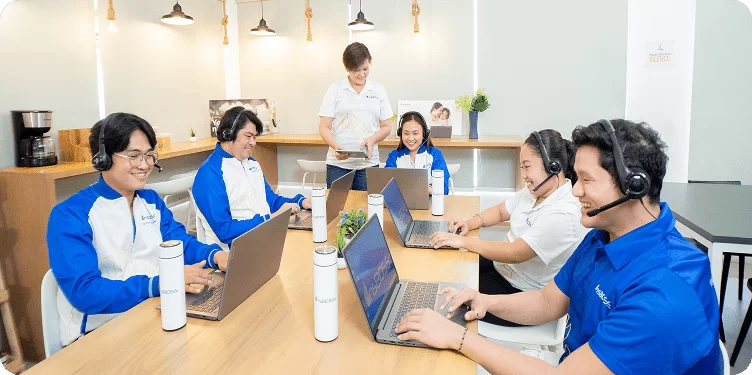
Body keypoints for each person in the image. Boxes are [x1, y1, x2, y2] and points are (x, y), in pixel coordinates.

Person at [397, 119, 722, 374]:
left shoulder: (665, 295)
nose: (575, 191)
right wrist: (484, 300)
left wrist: (457, 338)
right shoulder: (603, 235)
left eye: (586, 180)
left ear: (633, 186)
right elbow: (547, 301)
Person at [46, 113, 229, 347]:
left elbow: (181, 243)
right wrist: (158, 284)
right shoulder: (71, 215)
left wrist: (217, 256)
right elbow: (85, 292)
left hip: (152, 312)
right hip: (98, 335)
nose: (145, 165)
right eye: (133, 156)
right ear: (102, 158)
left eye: (149, 155)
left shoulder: (150, 200)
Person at [430, 129, 586, 326]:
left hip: (519, 293)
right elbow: (501, 211)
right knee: (446, 267)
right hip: (502, 269)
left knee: (443, 300)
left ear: (553, 166)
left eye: (527, 167)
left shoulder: (564, 212)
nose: (523, 175)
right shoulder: (535, 191)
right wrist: (469, 223)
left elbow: (515, 252)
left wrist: (464, 241)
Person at [193, 107, 310, 250]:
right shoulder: (209, 173)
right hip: (234, 255)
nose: (253, 143)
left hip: (264, 240)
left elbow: (270, 200)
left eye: (254, 137)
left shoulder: (252, 163)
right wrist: (269, 219)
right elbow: (225, 230)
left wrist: (301, 202)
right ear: (229, 133)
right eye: (248, 136)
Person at [318, 42, 394, 191]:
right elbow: (324, 127)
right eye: (356, 70)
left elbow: (387, 127)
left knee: (366, 210)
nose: (361, 74)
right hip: (337, 165)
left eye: (365, 69)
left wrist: (373, 139)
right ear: (347, 69)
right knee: (337, 211)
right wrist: (335, 146)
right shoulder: (335, 89)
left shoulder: (378, 90)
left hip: (368, 164)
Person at [384, 111, 450, 195]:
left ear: (424, 134)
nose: (410, 138)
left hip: (430, 203)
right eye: (406, 133)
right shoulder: (394, 156)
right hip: (401, 204)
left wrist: (428, 190)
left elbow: (444, 189)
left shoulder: (435, 155)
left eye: (415, 133)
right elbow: (387, 187)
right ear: (400, 134)